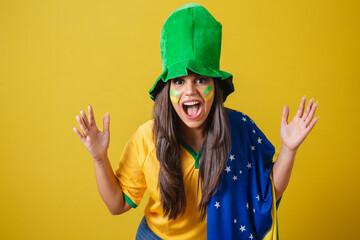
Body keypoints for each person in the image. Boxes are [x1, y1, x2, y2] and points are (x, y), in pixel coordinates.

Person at [73, 3, 319, 240]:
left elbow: (266, 196)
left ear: (215, 86)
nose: (189, 91)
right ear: (166, 91)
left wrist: (289, 149)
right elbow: (117, 205)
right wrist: (99, 158)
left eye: (200, 80)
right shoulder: (146, 138)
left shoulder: (240, 130)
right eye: (179, 81)